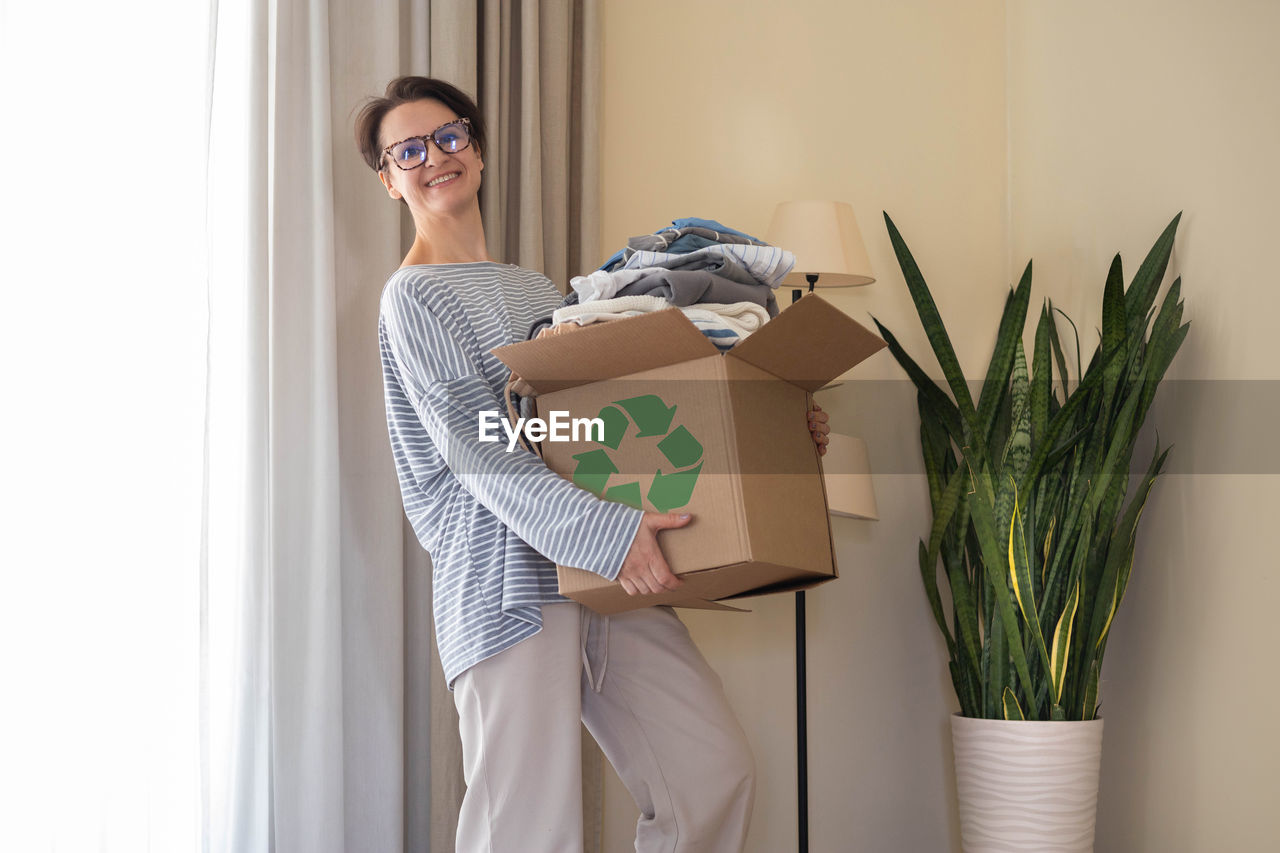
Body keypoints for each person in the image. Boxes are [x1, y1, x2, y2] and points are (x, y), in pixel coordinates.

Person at [356, 76, 831, 853]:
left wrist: (768, 428)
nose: (434, 157)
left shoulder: (541, 289)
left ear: (473, 146)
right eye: (408, 150)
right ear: (388, 178)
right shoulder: (412, 297)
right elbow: (478, 445)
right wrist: (608, 535)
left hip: (605, 568)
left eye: (448, 136)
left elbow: (607, 427)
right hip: (509, 578)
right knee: (530, 828)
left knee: (711, 774)